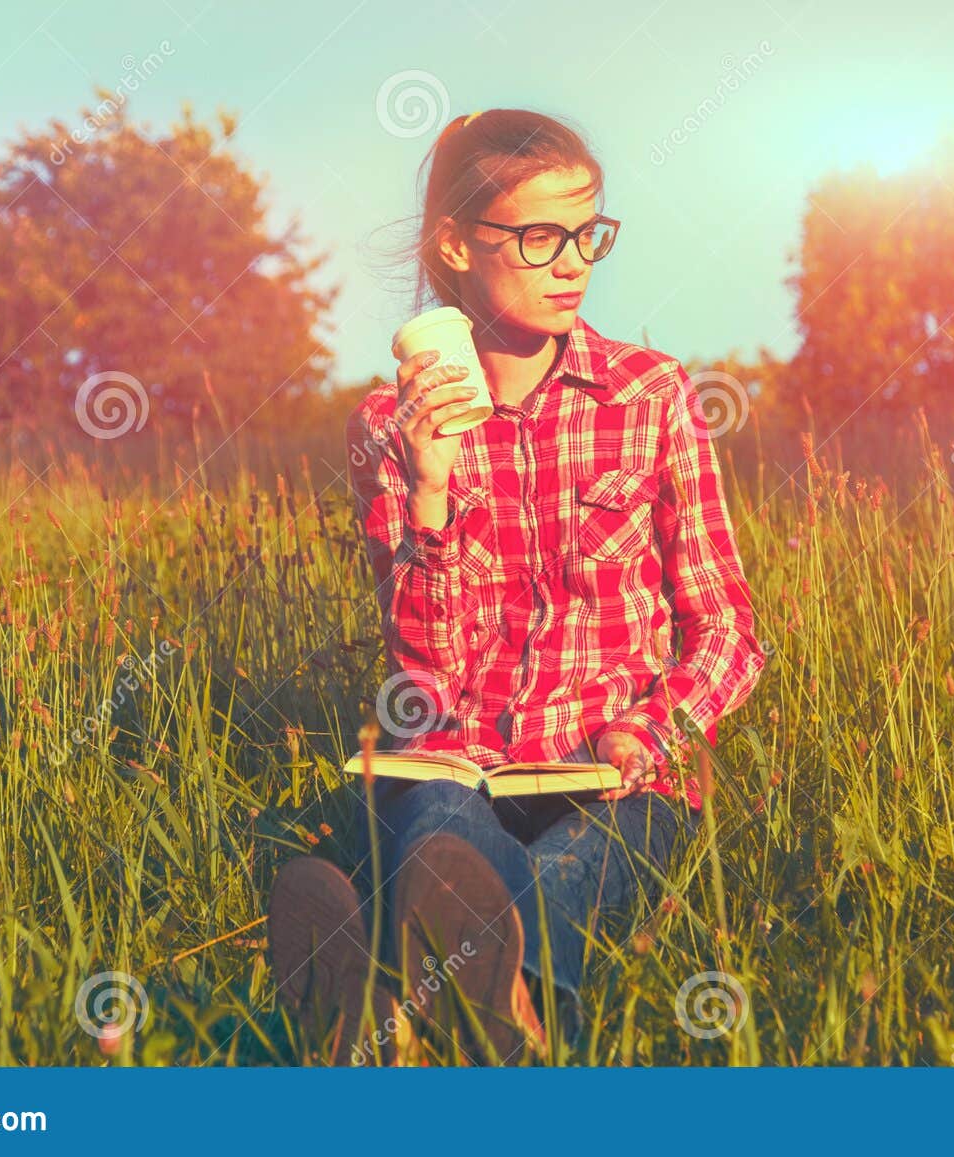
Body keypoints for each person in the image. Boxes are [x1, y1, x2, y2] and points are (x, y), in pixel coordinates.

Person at [267, 107, 766, 1065]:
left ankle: (383, 1007)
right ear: (455, 244)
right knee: (442, 832)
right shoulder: (388, 425)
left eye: (588, 233)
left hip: (615, 777)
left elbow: (727, 629)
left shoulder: (650, 394)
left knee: (587, 854)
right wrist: (430, 487)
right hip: (463, 766)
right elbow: (426, 674)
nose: (574, 261)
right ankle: (500, 1018)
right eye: (540, 237)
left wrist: (648, 730)